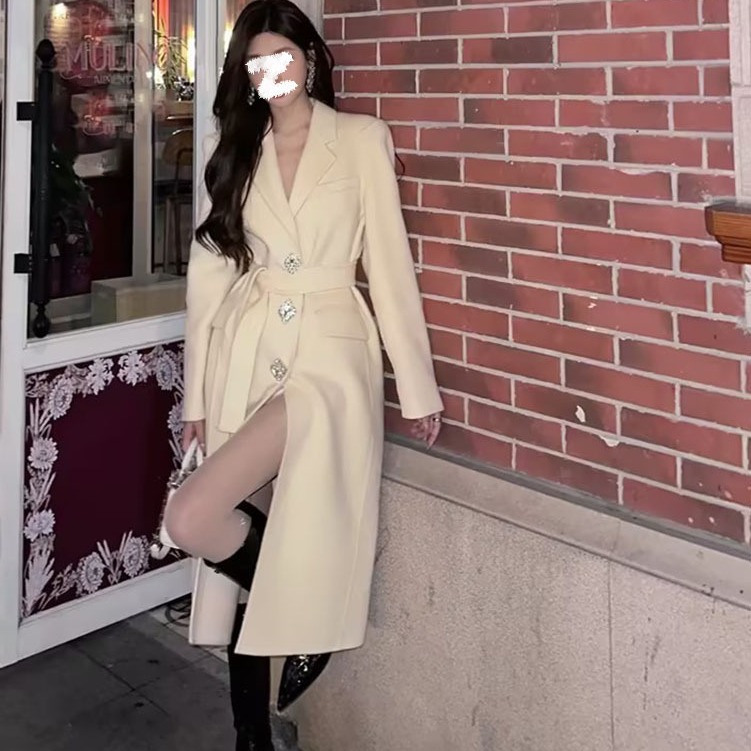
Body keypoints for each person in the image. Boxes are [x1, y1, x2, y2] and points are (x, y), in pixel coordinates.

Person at [163, 0, 444, 748]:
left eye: (282, 56)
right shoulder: (233, 150)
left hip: (327, 359)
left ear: (310, 59)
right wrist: (196, 399)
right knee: (204, 527)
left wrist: (416, 387)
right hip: (249, 354)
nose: (272, 72)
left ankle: (297, 635)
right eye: (256, 63)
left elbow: (389, 268)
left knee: (192, 516)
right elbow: (208, 283)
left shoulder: (359, 139)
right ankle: (255, 726)